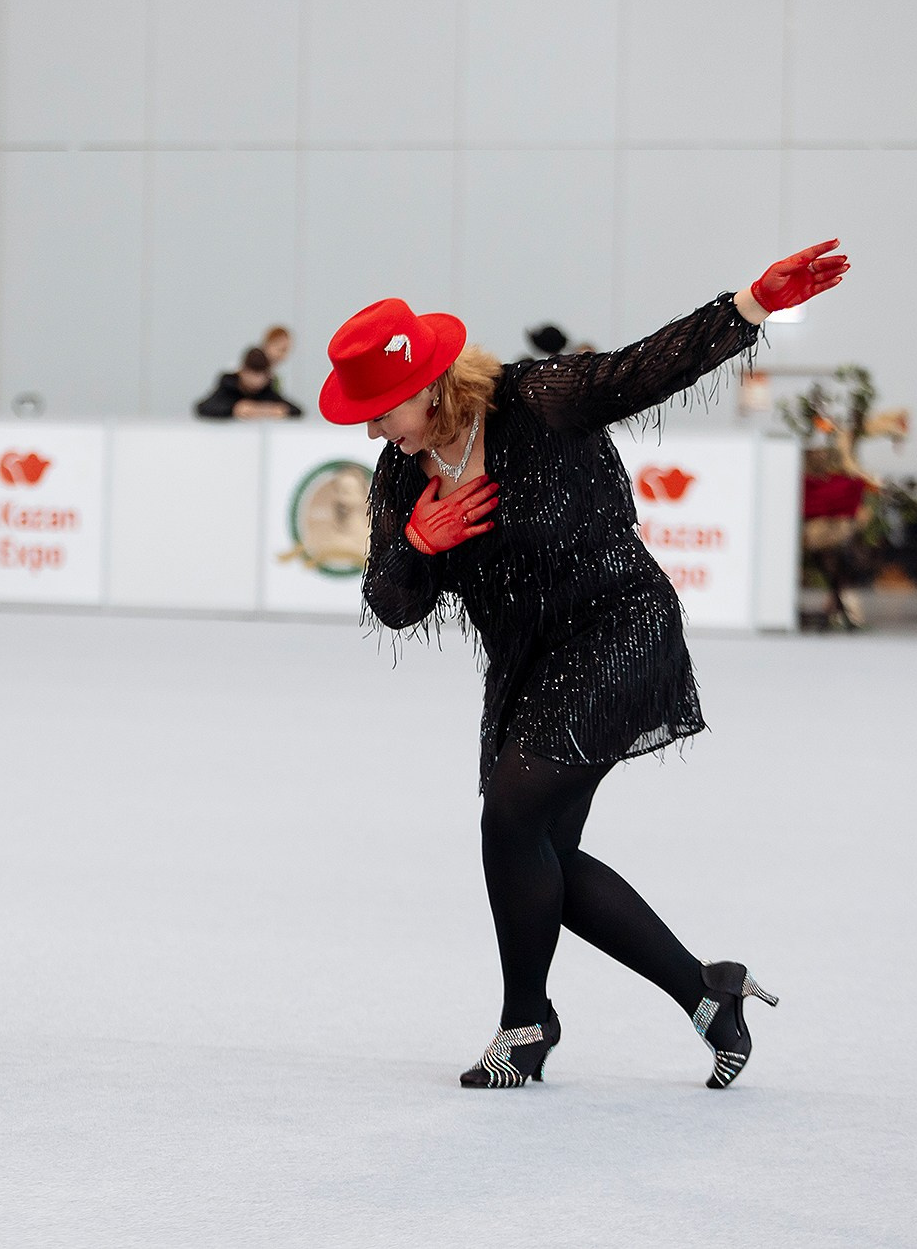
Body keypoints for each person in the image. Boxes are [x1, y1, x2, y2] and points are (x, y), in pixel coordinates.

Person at [320, 240, 848, 1091]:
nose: (369, 426)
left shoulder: (534, 399)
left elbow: (640, 372)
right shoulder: (397, 477)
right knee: (539, 852)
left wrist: (749, 303)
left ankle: (525, 1022)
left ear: (427, 387)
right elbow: (392, 601)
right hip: (527, 660)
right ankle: (707, 991)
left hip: (618, 628)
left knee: (510, 814)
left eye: (379, 408)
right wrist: (418, 544)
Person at [195, 326, 302, 420]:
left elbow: (295, 409)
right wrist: (234, 409)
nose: (256, 380)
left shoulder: (267, 388)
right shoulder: (229, 383)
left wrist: (272, 410)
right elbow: (204, 407)